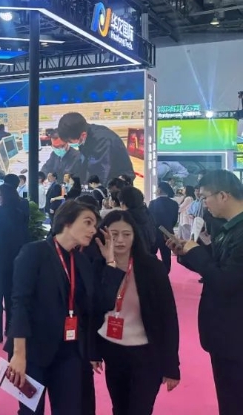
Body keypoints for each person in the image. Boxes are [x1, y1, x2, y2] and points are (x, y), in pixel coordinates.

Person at [6, 200, 123, 415]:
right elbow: (20, 304)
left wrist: (110, 261)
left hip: (70, 353)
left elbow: (101, 304)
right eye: (87, 222)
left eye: (94, 224)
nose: (93, 230)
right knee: (30, 412)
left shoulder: (81, 261)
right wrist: (19, 355)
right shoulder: (34, 252)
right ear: (67, 222)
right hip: (32, 352)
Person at [167, 170, 243, 414]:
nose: (203, 203)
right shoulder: (229, 228)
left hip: (235, 334)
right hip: (226, 334)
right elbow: (216, 265)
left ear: (223, 195)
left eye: (205, 197)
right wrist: (187, 253)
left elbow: (225, 280)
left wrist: (196, 253)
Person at [91, 210, 180, 415]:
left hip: (146, 353)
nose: (120, 240)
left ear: (135, 236)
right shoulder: (98, 267)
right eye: (114, 234)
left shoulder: (151, 267)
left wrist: (171, 365)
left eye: (126, 234)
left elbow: (168, 317)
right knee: (119, 408)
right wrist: (93, 351)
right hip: (113, 351)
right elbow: (96, 310)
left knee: (140, 409)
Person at [0, 184, 30, 343]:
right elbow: (25, 238)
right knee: (10, 295)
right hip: (14, 260)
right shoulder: (20, 214)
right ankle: (10, 329)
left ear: (2, 197)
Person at [57, 112, 134, 186]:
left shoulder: (103, 142)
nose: (69, 144)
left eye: (70, 141)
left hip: (118, 182)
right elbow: (84, 164)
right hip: (103, 176)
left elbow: (100, 174)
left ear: (83, 135)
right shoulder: (84, 135)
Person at [148, 182, 179, 273]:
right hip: (168, 233)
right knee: (166, 256)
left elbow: (149, 219)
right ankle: (165, 274)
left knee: (151, 254)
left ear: (160, 190)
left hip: (154, 233)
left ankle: (153, 274)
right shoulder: (174, 203)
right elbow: (174, 220)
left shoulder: (153, 203)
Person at [117, 187, 157, 252]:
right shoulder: (147, 213)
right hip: (150, 252)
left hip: (133, 254)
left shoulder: (125, 218)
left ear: (122, 202)